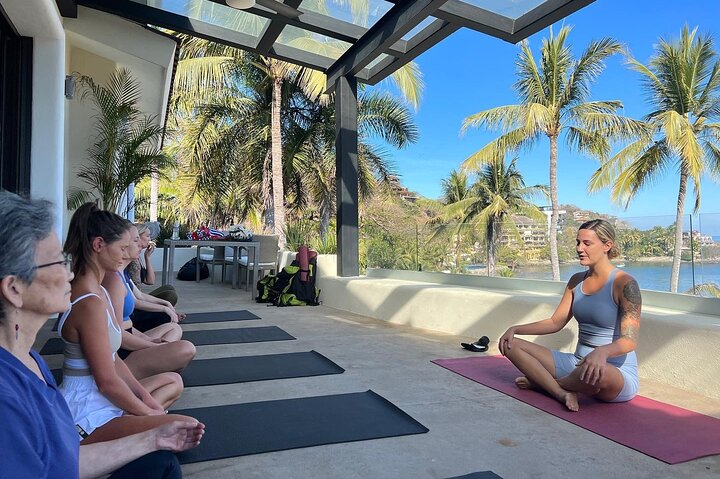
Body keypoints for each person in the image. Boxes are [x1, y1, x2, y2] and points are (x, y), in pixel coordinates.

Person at [0, 191, 204, 478]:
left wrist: (151, 427)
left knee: (167, 438)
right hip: (85, 416)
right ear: (13, 289)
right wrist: (150, 417)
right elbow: (107, 381)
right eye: (58, 263)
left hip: (85, 421)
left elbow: (64, 459)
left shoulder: (30, 359)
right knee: (168, 452)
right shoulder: (6, 397)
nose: (68, 273)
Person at [59, 202, 195, 444]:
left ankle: (130, 427)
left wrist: (147, 402)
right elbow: (107, 382)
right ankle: (112, 439)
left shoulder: (99, 291)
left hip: (101, 396)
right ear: (99, 245)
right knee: (183, 427)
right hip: (85, 408)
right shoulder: (89, 302)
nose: (126, 253)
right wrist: (151, 414)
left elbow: (115, 361)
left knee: (173, 383)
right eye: (122, 247)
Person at [499, 219, 642, 412]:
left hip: (613, 370)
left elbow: (629, 341)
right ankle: (561, 392)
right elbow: (555, 322)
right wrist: (515, 329)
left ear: (607, 246)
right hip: (576, 364)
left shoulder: (625, 284)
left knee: (598, 373)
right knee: (510, 344)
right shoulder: (576, 281)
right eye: (578, 242)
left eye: (587, 243)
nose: (579, 248)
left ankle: (546, 384)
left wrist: (601, 352)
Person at [103, 224, 195, 379]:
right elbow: (118, 334)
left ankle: (158, 362)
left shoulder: (121, 273)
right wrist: (153, 344)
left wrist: (150, 340)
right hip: (122, 352)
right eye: (135, 240)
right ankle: (157, 363)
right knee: (185, 350)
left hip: (131, 334)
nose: (141, 244)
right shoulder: (113, 281)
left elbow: (146, 286)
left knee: (175, 330)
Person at [126, 223, 177, 305]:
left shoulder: (137, 257)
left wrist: (147, 257)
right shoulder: (133, 261)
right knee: (170, 296)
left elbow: (150, 281)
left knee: (169, 288)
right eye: (147, 236)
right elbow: (136, 294)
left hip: (139, 297)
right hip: (136, 302)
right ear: (138, 237)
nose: (150, 239)